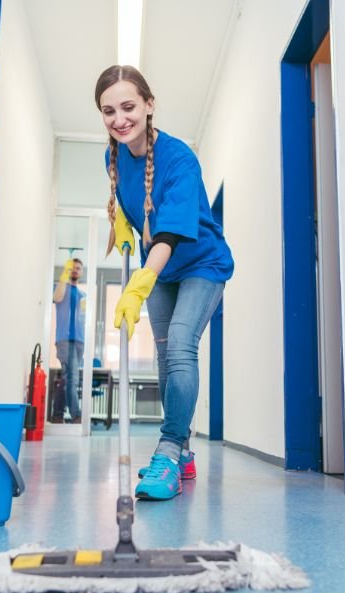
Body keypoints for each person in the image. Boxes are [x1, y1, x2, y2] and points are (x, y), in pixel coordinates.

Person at [94, 65, 234, 500]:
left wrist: (139, 284)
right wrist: (121, 223)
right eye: (109, 110)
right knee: (163, 357)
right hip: (162, 271)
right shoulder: (112, 156)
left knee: (180, 345)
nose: (120, 119)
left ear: (149, 105)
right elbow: (136, 205)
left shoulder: (179, 159)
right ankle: (184, 449)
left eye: (129, 106)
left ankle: (169, 450)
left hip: (201, 265)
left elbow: (170, 234)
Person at [52, 258, 86, 424]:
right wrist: (64, 273)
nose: (75, 270)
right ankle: (76, 415)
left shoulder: (82, 295)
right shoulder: (61, 288)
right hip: (65, 339)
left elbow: (83, 318)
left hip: (79, 341)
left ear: (82, 272)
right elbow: (57, 298)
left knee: (67, 378)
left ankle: (57, 415)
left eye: (78, 268)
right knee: (72, 377)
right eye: (72, 268)